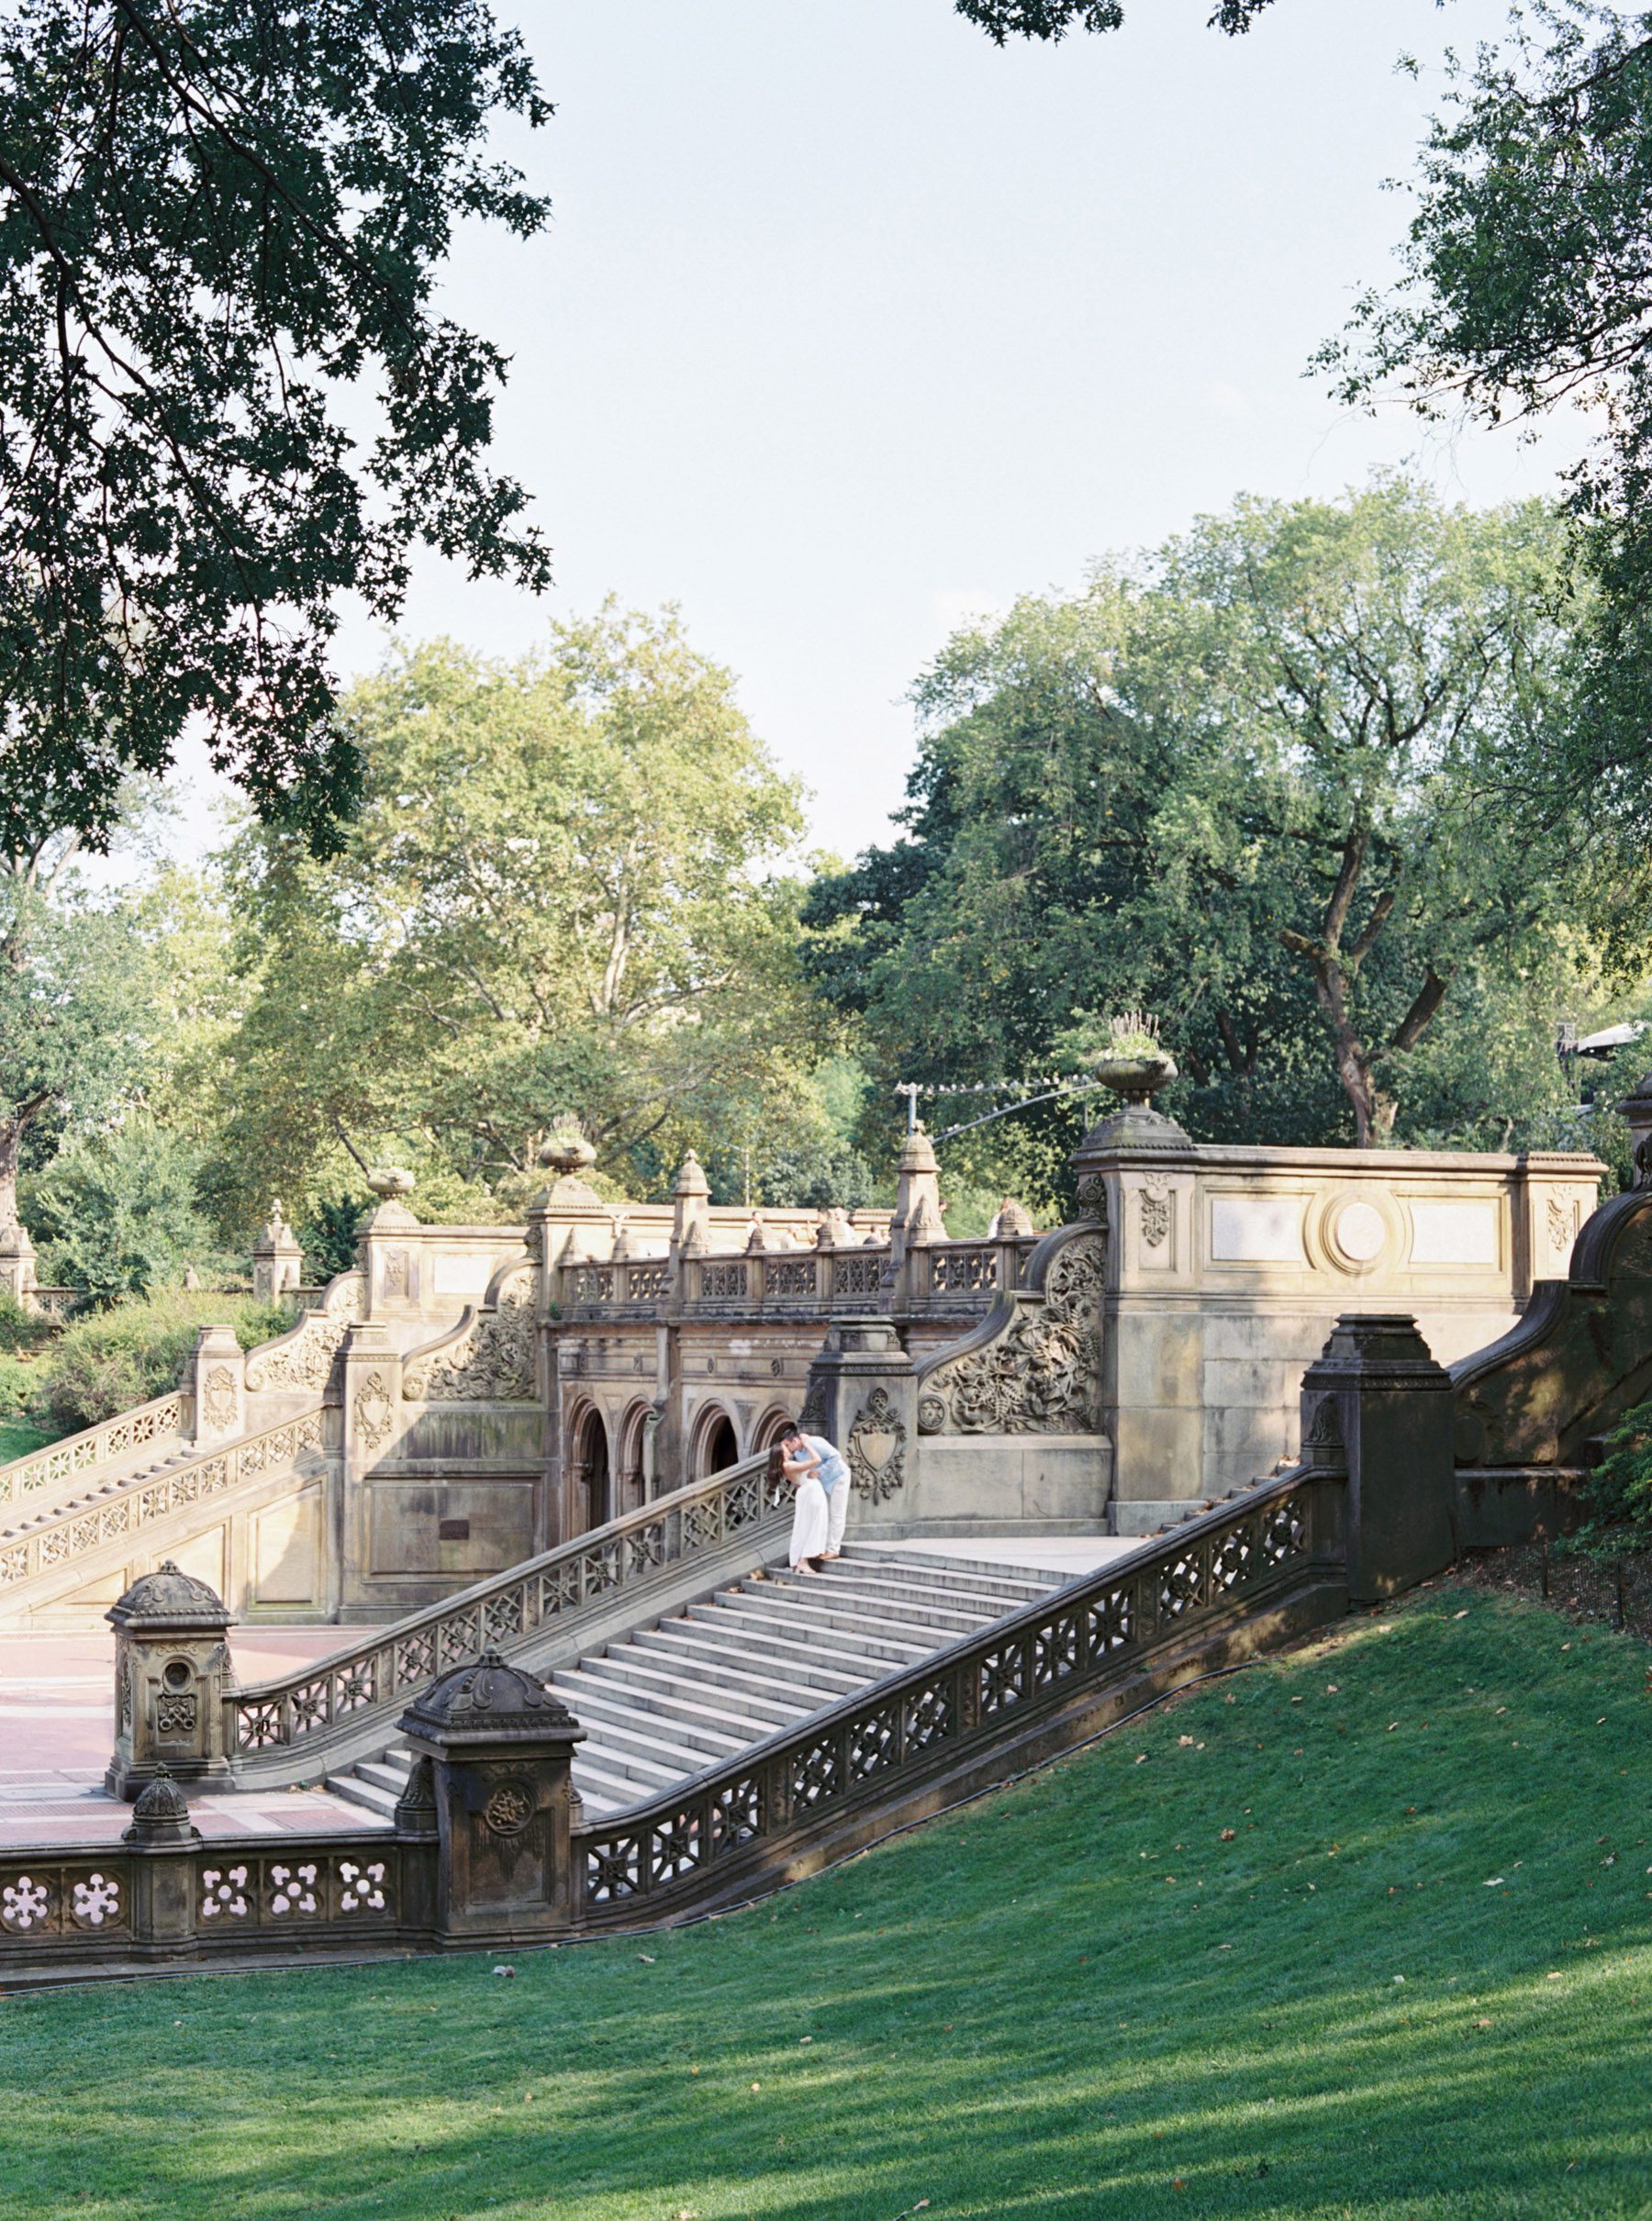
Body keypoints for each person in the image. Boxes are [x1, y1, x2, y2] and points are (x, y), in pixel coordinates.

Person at [777, 1419, 851, 1562]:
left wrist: (820, 1471)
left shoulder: (815, 1442)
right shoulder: (798, 1454)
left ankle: (833, 1550)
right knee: (826, 1514)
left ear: (795, 1440)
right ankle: (823, 1547)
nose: (788, 1449)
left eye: (787, 1445)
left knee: (837, 1514)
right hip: (823, 1483)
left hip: (838, 1478)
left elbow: (836, 1456)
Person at [776, 1433, 830, 1573]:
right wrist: (806, 1444)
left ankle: (799, 1559)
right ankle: (803, 1560)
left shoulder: (787, 1465)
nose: (788, 1449)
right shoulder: (788, 1466)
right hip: (811, 1491)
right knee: (813, 1524)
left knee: (805, 1525)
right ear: (781, 1454)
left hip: (808, 1490)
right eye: (785, 1448)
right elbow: (816, 1459)